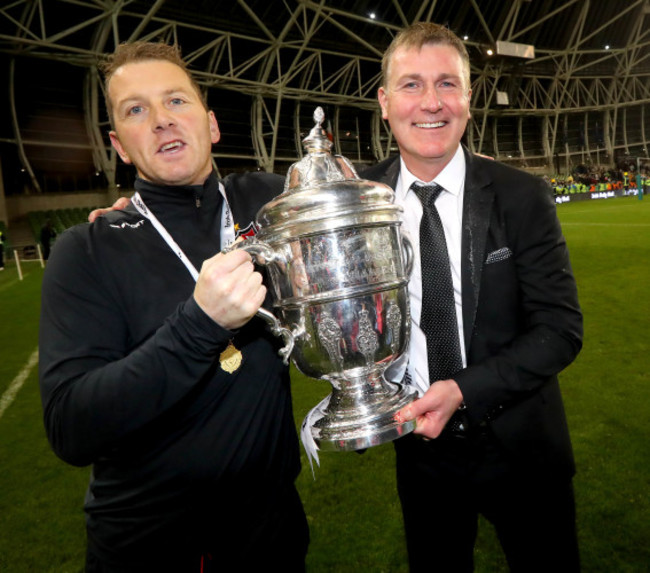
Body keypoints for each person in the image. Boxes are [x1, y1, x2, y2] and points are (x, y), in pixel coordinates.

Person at [38, 41, 308, 572]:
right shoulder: (87, 250)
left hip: (272, 535)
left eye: (176, 101)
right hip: (150, 546)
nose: (161, 120)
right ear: (119, 145)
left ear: (211, 125)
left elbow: (364, 193)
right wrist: (199, 325)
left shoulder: (272, 204)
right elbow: (71, 425)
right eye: (136, 110)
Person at [362, 23, 583, 572]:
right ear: (385, 103)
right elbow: (255, 227)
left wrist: (464, 389)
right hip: (421, 453)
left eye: (447, 84)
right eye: (411, 85)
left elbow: (560, 329)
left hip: (524, 449)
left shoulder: (521, 195)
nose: (431, 103)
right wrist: (132, 212)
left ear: (468, 97)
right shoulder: (356, 201)